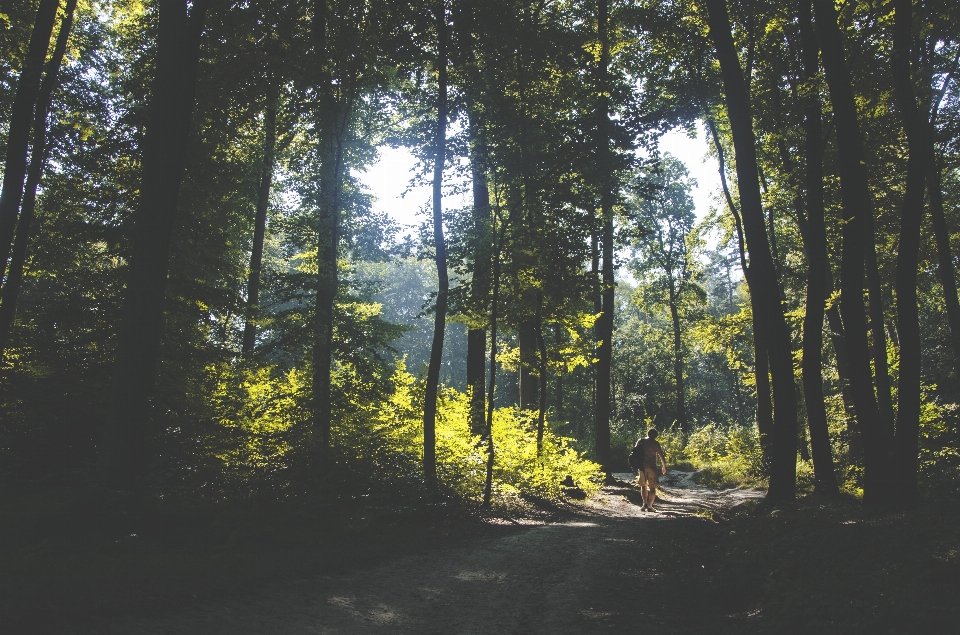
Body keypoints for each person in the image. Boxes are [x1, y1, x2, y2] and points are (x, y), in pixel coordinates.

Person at [636, 427, 667, 512]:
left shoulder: (641, 441)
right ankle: (650, 506)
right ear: (655, 436)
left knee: (643, 485)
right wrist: (664, 466)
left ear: (648, 433)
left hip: (642, 466)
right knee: (652, 487)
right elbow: (661, 455)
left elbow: (635, 452)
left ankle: (644, 504)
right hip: (652, 467)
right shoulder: (656, 443)